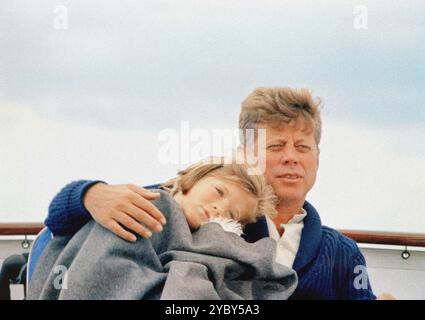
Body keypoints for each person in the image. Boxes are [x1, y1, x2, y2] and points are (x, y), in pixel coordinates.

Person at [44, 87, 389, 299]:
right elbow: (59, 218)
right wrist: (92, 194)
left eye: (303, 146)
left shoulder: (343, 255)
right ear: (246, 153)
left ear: (317, 157)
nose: (291, 157)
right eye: (276, 145)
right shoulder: (202, 208)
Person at [28, 157, 298, 300]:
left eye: (231, 215)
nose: (219, 209)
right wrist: (89, 193)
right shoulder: (147, 203)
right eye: (218, 192)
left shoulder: (215, 242)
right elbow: (60, 224)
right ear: (194, 179)